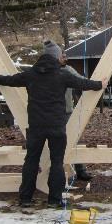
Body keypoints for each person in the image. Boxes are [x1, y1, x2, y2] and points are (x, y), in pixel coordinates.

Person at [0, 42, 107, 207]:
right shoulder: (62, 75)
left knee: (31, 161)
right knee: (57, 162)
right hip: (56, 127)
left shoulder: (31, 74)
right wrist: (100, 85)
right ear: (57, 57)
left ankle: (25, 199)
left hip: (36, 127)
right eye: (60, 55)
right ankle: (54, 200)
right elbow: (84, 84)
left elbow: (10, 80)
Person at [46, 40, 93, 182]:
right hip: (50, 114)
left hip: (67, 112)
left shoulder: (68, 70)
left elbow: (82, 81)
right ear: (55, 57)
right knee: (55, 143)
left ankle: (80, 170)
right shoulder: (43, 71)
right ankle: (60, 171)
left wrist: (97, 84)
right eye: (62, 56)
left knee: (74, 140)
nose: (66, 58)